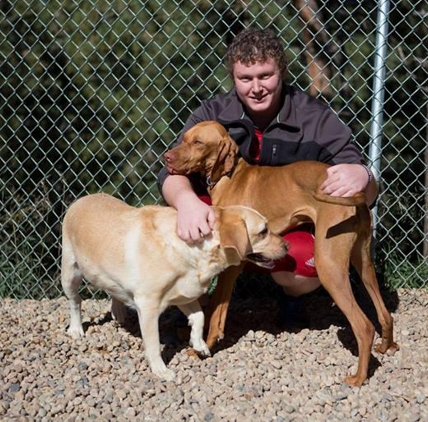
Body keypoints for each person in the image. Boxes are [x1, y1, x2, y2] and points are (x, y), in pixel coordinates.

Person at [157, 27, 378, 328]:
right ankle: (192, 304)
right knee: (175, 221)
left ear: (282, 72)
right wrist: (186, 202)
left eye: (266, 76)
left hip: (281, 227)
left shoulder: (313, 118)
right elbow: (169, 172)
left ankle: (292, 298)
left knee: (297, 267)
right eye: (245, 79)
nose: (256, 87)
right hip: (216, 211)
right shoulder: (213, 114)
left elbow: (364, 188)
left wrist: (363, 174)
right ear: (233, 78)